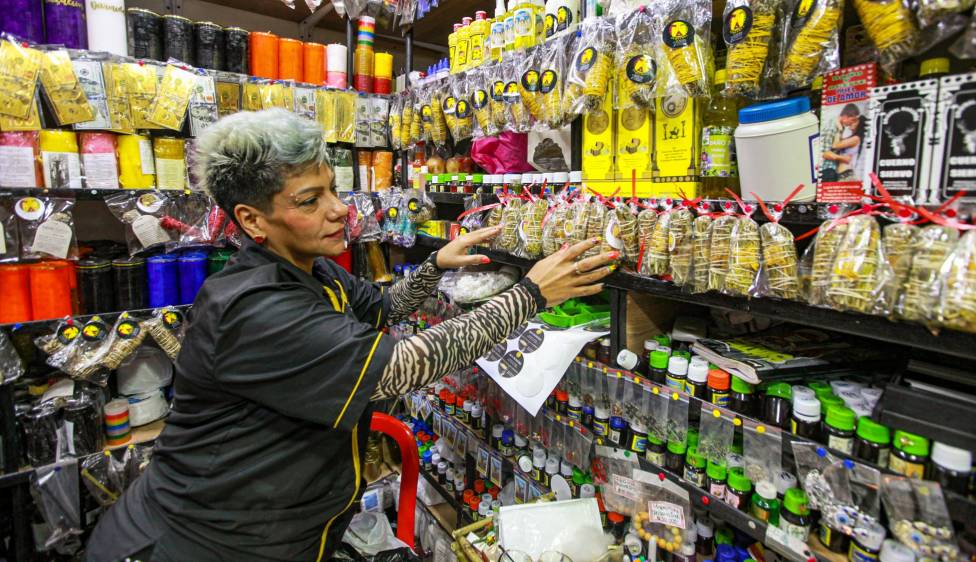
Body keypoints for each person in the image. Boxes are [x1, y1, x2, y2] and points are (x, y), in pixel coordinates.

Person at [85, 109, 615, 562]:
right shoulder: (253, 308)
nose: (339, 209)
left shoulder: (310, 268)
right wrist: (531, 294)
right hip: (202, 544)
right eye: (309, 200)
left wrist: (434, 265)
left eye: (333, 191)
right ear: (252, 220)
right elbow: (401, 367)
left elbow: (381, 308)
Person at [821, 103, 867, 182]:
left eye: (855, 121)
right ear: (845, 116)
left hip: (842, 173)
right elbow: (825, 153)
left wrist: (840, 130)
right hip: (829, 170)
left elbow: (835, 146)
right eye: (852, 120)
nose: (851, 123)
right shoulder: (832, 127)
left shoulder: (855, 138)